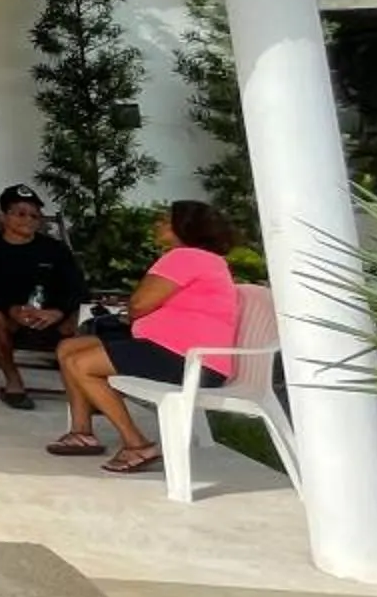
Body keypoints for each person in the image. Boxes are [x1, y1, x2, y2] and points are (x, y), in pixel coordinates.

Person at [47, 202, 242, 474]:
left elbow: (140, 304)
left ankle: (136, 444)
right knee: (69, 347)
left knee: (82, 364)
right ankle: (82, 432)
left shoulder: (184, 257)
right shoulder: (203, 259)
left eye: (165, 220)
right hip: (183, 355)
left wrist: (135, 312)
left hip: (188, 361)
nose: (158, 225)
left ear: (182, 227)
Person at [0, 184, 87, 410]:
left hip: (52, 317)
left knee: (82, 318)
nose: (28, 220)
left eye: (34, 215)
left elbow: (77, 288)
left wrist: (57, 311)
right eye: (20, 213)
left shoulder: (55, 249)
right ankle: (13, 380)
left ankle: (84, 387)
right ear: (2, 216)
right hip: (9, 316)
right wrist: (11, 309)